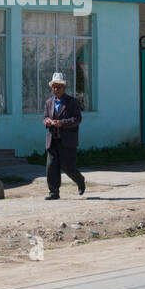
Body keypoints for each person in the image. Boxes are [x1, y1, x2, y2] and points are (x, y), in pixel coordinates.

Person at [42, 72, 85, 200]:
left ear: (64, 87)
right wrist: (47, 122)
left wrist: (62, 123)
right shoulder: (49, 102)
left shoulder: (72, 102)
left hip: (67, 140)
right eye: (54, 86)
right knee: (51, 167)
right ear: (51, 88)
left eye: (59, 86)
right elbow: (44, 117)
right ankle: (53, 192)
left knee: (68, 167)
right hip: (52, 139)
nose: (56, 89)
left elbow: (77, 119)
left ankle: (80, 180)